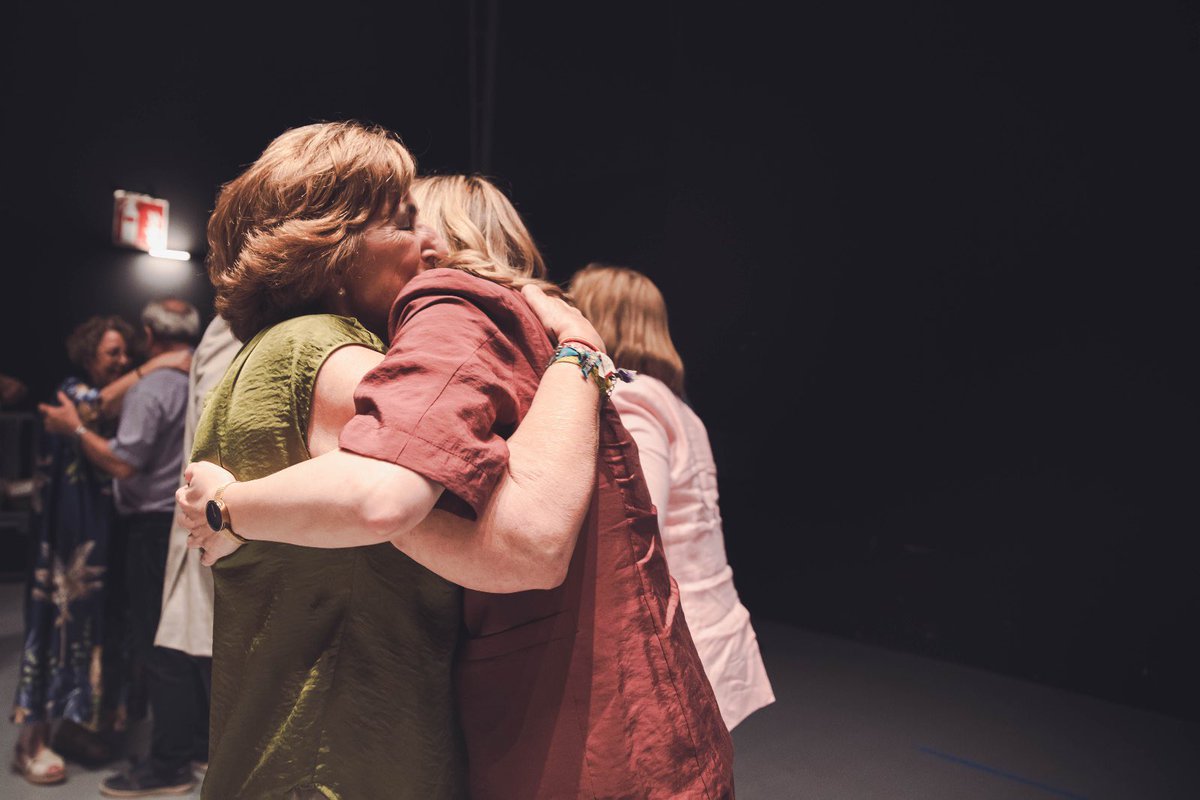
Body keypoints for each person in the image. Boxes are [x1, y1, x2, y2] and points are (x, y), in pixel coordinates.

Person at [181, 169, 734, 799]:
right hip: (634, 697)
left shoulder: (452, 302)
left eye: (411, 219)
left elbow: (434, 511)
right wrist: (581, 346)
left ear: (445, 241)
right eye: (399, 221)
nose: (418, 245)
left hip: (579, 720)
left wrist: (228, 507)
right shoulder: (531, 335)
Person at [570, 263, 775, 730]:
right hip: (710, 621)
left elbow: (640, 520)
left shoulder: (632, 396)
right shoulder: (674, 402)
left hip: (681, 634)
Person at [13, 316, 189, 786]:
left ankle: (71, 729)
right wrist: (166, 362)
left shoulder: (115, 401)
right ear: (88, 354)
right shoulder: (74, 395)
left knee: (97, 637)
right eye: (112, 353)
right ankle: (30, 743)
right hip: (65, 538)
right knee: (57, 629)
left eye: (126, 352)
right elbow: (89, 417)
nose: (123, 361)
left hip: (102, 533)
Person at [150, 315, 241, 783]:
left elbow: (219, 422)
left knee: (203, 634)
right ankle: (201, 758)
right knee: (196, 634)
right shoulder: (229, 324)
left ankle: (195, 760)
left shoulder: (234, 324)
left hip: (224, 515)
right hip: (216, 513)